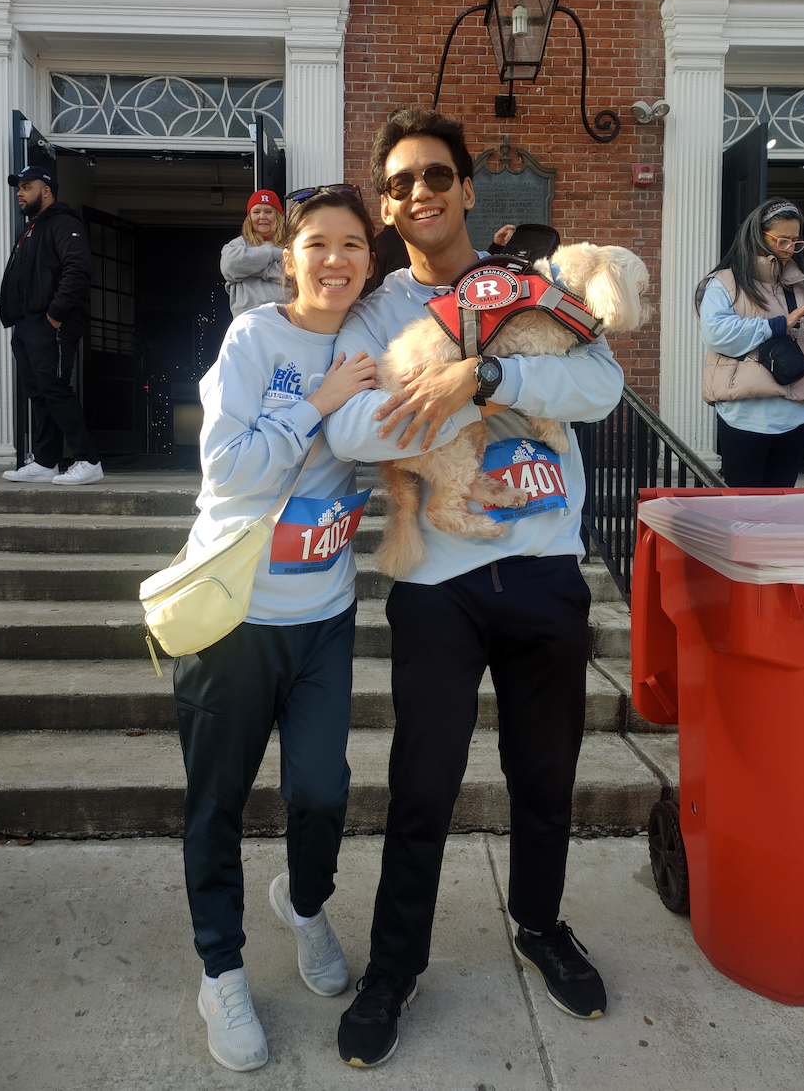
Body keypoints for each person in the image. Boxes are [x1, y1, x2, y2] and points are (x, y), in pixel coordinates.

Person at [324, 108, 625, 1067]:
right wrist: (436, 398)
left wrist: (486, 376)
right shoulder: (374, 314)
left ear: (464, 187)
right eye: (403, 181)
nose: (422, 193)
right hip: (438, 582)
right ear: (387, 200)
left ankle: (538, 924)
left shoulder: (531, 285)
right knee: (421, 784)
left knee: (546, 779)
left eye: (437, 176)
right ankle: (393, 967)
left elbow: (603, 387)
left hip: (541, 569)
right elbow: (348, 432)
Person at [175, 184, 378, 1073]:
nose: (335, 259)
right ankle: (219, 967)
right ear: (286, 253)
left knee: (322, 793)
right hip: (237, 618)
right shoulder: (255, 339)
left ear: (371, 259)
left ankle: (302, 901)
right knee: (216, 802)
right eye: (316, 243)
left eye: (352, 244)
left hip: (326, 612)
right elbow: (228, 473)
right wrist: (320, 400)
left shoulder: (375, 339)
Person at [698, 197, 804, 487]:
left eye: (796, 243)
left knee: (777, 509)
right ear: (758, 235)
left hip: (795, 413)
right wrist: (778, 324)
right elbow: (716, 334)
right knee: (743, 510)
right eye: (782, 241)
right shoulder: (723, 282)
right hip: (743, 413)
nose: (790, 250)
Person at [0, 167, 103, 485]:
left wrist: (54, 314)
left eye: (26, 187)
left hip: (51, 323)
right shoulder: (31, 229)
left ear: (45, 191)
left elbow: (77, 268)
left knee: (55, 390)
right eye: (18, 187)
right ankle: (46, 461)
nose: (19, 192)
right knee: (39, 393)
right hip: (27, 324)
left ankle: (88, 460)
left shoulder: (63, 223)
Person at [221, 189, 286, 318]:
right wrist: (272, 253)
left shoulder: (292, 245)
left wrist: (250, 267)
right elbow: (230, 266)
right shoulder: (237, 244)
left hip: (286, 317)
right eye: (256, 212)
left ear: (278, 216)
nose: (262, 216)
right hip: (249, 319)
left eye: (268, 212)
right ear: (249, 218)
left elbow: (297, 274)